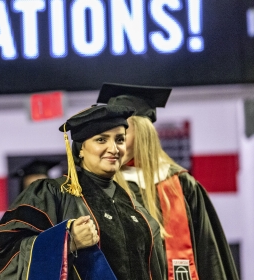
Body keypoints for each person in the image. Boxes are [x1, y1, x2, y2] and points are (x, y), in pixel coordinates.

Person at [0, 104, 166, 280]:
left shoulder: (137, 209)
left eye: (120, 139)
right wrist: (65, 242)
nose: (114, 148)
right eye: (101, 139)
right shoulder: (51, 194)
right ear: (81, 149)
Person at [98, 83, 240, 280]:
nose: (114, 144)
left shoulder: (181, 185)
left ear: (143, 133)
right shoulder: (98, 186)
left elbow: (209, 258)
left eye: (122, 134)